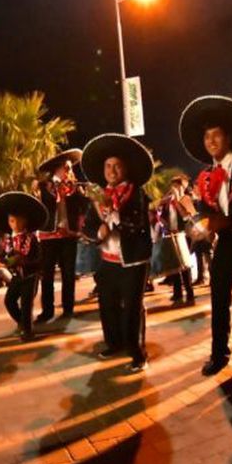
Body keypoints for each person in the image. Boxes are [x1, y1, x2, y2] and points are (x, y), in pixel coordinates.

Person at [179, 95, 232, 380]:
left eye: (216, 135)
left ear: (228, 137)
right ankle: (219, 355)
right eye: (207, 137)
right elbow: (205, 210)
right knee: (218, 298)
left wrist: (220, 221)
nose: (211, 141)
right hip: (227, 241)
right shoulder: (205, 175)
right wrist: (199, 220)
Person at [81, 133, 154, 372]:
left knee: (132, 308)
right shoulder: (97, 196)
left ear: (125, 169)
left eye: (117, 166)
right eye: (108, 166)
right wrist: (97, 232)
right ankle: (114, 343)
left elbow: (138, 222)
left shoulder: (137, 193)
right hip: (107, 261)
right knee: (108, 305)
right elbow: (89, 226)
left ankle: (138, 353)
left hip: (132, 261)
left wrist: (114, 219)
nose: (112, 170)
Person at [0, 192, 46, 341]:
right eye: (12, 221)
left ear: (26, 221)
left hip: (30, 276)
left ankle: (28, 332)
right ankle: (22, 322)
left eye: (20, 221)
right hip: (16, 276)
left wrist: (23, 261)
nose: (16, 224)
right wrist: (4, 260)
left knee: (26, 304)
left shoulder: (31, 239)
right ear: (8, 222)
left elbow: (38, 259)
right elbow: (3, 257)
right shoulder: (8, 240)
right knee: (9, 301)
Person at [36, 148, 87, 323]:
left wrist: (80, 226)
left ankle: (68, 308)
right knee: (47, 275)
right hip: (49, 236)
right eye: (66, 167)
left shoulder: (75, 188)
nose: (69, 170)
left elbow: (83, 209)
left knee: (68, 274)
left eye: (70, 168)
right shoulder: (43, 187)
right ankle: (47, 311)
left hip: (68, 236)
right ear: (57, 168)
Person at [154, 174, 196, 306]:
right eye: (173, 185)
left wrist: (177, 200)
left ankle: (190, 294)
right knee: (174, 265)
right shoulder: (167, 201)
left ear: (183, 186)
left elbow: (186, 217)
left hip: (184, 235)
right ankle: (177, 293)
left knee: (185, 266)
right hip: (170, 235)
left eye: (177, 185)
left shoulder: (186, 199)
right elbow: (159, 213)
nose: (174, 188)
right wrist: (161, 216)